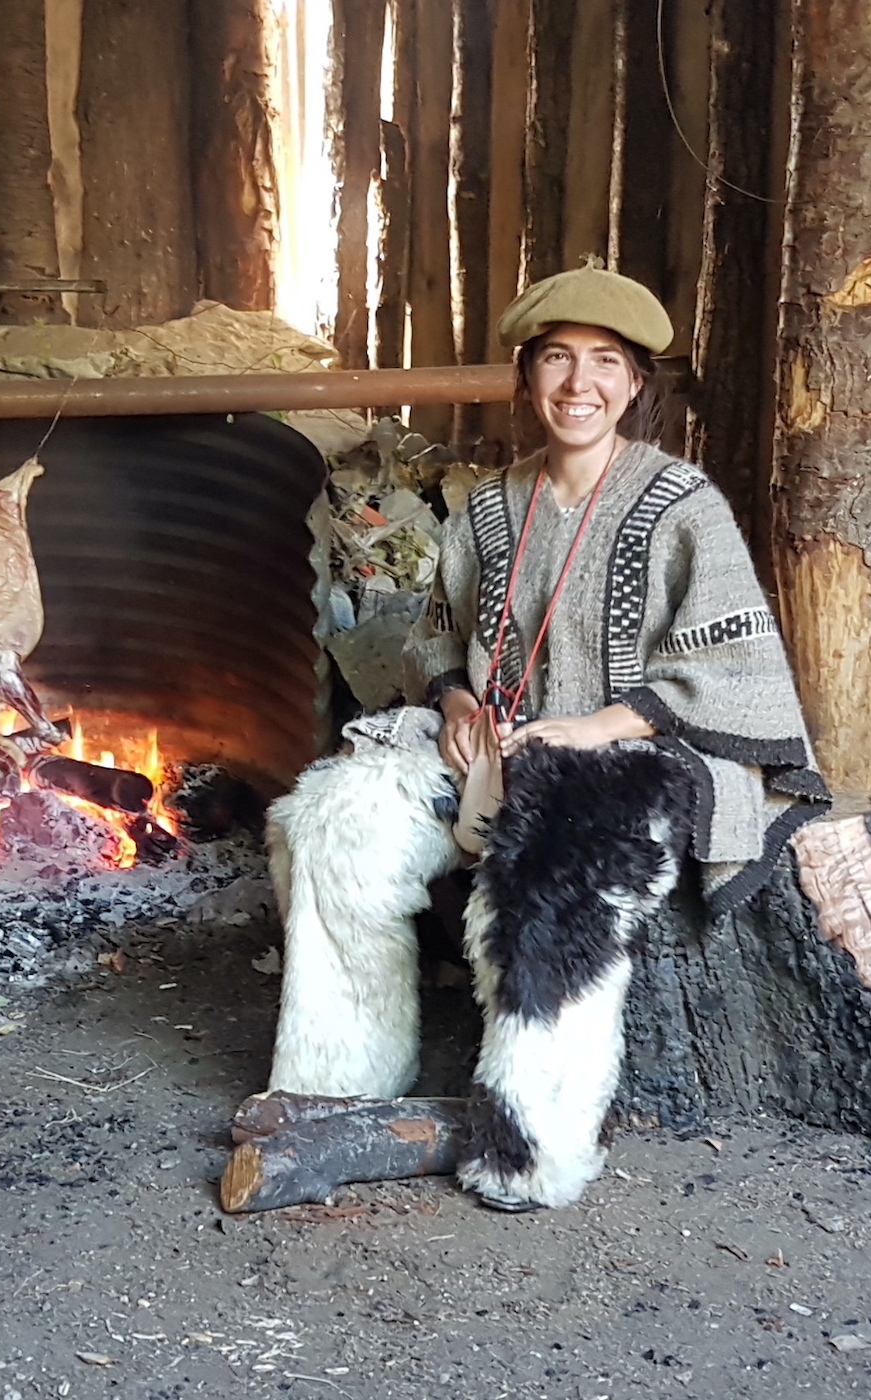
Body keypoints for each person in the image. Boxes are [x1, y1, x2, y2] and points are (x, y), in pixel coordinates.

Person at [264, 267, 830, 1210]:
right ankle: (334, 1088)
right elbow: (438, 639)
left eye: (605, 363)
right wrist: (453, 706)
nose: (580, 384)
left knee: (556, 859)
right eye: (558, 360)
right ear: (527, 377)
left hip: (643, 753)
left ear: (635, 384)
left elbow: (736, 669)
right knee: (337, 814)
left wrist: (595, 725)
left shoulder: (681, 504)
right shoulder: (488, 507)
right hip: (498, 750)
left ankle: (532, 1146)